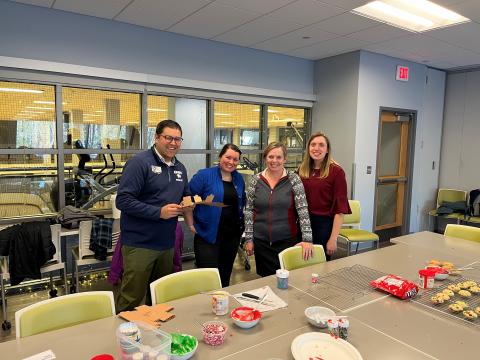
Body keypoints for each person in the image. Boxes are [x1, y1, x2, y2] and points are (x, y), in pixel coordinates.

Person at [115, 119, 193, 312]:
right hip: (140, 244)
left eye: (178, 139)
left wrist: (189, 203)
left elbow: (186, 194)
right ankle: (125, 339)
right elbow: (123, 200)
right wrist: (159, 212)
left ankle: (156, 338)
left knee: (159, 298)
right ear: (157, 137)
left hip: (166, 244)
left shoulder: (180, 168)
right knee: (131, 299)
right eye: (168, 138)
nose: (173, 143)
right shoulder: (139, 163)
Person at [244, 142, 313, 277]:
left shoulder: (294, 179)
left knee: (287, 281)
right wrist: (249, 239)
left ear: (285, 159)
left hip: (287, 241)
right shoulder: (255, 180)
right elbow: (249, 211)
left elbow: (303, 210)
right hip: (262, 242)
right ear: (265, 158)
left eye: (278, 157)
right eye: (270, 157)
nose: (274, 161)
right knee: (266, 281)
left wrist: (307, 239)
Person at [188, 144, 246, 286]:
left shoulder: (238, 179)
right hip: (207, 236)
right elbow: (187, 199)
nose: (231, 162)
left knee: (225, 277)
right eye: (228, 157)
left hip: (231, 237)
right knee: (208, 279)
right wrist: (190, 224)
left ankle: (222, 306)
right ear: (220, 157)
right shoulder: (204, 175)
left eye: (235, 159)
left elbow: (241, 204)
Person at [298, 132, 351, 260]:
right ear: (308, 148)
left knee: (318, 264)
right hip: (302, 224)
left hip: (323, 226)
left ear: (327, 150)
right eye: (313, 144)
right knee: (300, 262)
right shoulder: (302, 170)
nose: (316, 148)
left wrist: (333, 239)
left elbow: (339, 210)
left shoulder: (336, 172)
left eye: (321, 145)